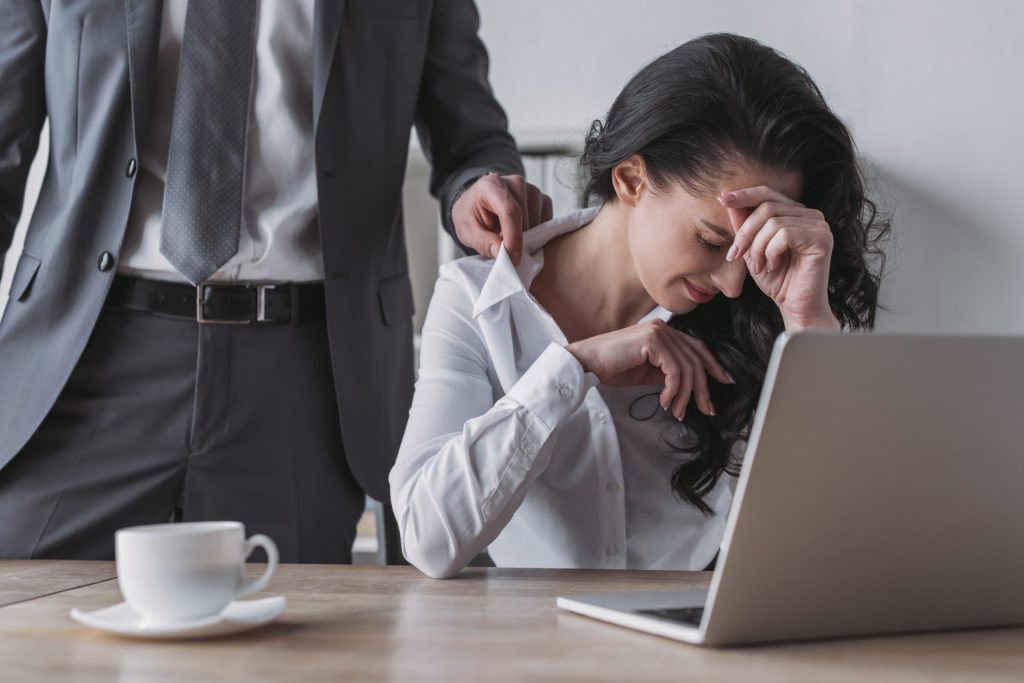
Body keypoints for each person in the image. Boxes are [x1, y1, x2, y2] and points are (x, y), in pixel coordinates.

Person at [0, 0, 550, 563]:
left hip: (302, 375)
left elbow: (470, 134)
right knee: (21, 616)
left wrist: (475, 188)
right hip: (86, 352)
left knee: (289, 638)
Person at [390, 32, 890, 579]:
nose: (731, 283)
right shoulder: (478, 300)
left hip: (709, 633)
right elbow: (427, 539)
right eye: (710, 240)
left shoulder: (765, 302)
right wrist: (574, 368)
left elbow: (844, 541)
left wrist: (808, 322)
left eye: (745, 253)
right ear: (631, 180)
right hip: (536, 645)